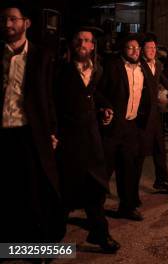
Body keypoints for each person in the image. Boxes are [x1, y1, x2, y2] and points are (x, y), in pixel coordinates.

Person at [0, 0, 65, 243]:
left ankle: (37, 244)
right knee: (6, 190)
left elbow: (49, 97)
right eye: (4, 19)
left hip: (29, 133)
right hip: (3, 133)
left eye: (13, 19)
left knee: (34, 190)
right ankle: (8, 244)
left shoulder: (41, 56)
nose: (7, 24)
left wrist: (52, 131)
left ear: (26, 23)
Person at [54, 26, 119, 252]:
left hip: (91, 137)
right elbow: (51, 101)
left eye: (87, 40)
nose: (83, 44)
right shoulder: (60, 69)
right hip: (67, 139)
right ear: (73, 43)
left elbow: (92, 94)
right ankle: (49, 243)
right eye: (79, 39)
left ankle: (99, 233)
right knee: (63, 191)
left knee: (96, 187)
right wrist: (52, 133)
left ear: (93, 45)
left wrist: (105, 107)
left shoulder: (97, 69)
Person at [97, 34, 152, 221]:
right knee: (104, 170)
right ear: (123, 49)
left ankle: (126, 207)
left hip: (131, 127)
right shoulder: (113, 67)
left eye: (138, 48)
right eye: (131, 48)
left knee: (129, 170)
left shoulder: (143, 68)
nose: (135, 51)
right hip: (113, 127)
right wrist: (105, 108)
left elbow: (147, 94)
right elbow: (99, 91)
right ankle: (95, 210)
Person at [137, 34, 168, 195]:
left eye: (154, 48)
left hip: (155, 113)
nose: (152, 50)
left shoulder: (158, 65)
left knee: (160, 149)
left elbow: (164, 81)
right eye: (149, 48)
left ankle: (161, 181)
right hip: (142, 114)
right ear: (142, 50)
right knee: (139, 152)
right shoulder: (138, 65)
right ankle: (131, 185)